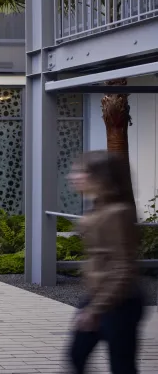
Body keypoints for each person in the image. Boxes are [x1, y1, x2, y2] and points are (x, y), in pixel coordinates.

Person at [68, 151, 143, 374]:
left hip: (120, 301)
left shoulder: (118, 213)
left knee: (121, 365)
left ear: (100, 178)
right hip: (98, 297)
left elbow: (123, 266)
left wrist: (97, 309)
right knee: (76, 355)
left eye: (80, 172)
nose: (74, 177)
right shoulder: (99, 208)